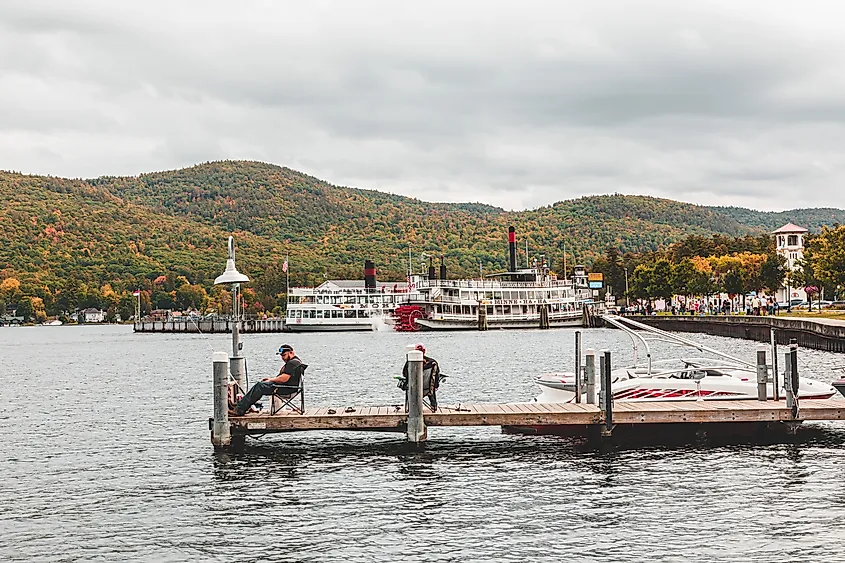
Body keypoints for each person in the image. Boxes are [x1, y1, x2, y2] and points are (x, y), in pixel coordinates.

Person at [230, 344, 303, 416]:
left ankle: (240, 410)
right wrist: (270, 380)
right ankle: (241, 406)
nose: (282, 358)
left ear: (291, 353)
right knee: (260, 384)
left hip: (286, 389)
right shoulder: (296, 361)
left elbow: (284, 378)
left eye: (284, 355)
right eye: (281, 356)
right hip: (287, 387)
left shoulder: (292, 363)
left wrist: (271, 380)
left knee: (260, 386)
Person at [399, 343, 441, 407]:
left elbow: (405, 374)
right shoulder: (433, 362)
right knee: (432, 384)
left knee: (406, 384)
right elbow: (437, 376)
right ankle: (433, 405)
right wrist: (436, 385)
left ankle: (410, 406)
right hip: (428, 388)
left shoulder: (410, 363)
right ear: (424, 351)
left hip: (413, 388)